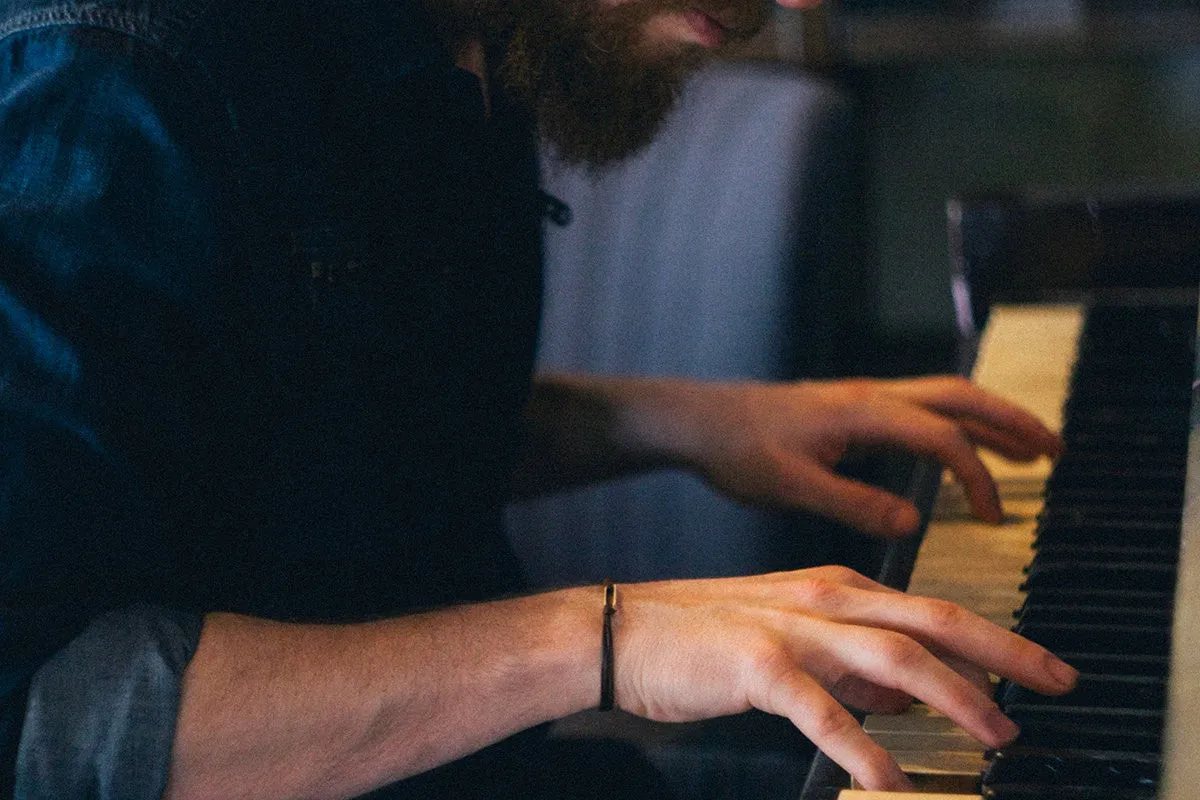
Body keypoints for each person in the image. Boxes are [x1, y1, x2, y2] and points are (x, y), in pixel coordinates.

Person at [0, 0, 1075, 797]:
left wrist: (683, 423)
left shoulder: (481, 33)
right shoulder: (107, 75)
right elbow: (34, 715)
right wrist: (606, 640)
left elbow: (295, 430)